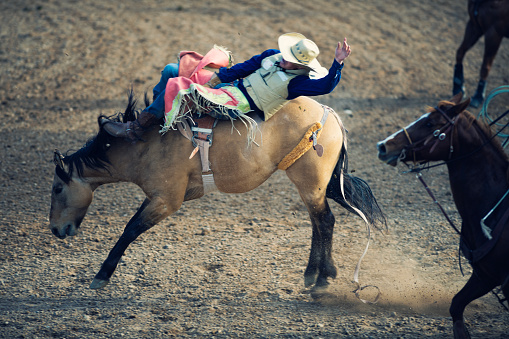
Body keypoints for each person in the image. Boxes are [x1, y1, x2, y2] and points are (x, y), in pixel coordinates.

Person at [103, 33, 351, 140]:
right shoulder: (272, 55)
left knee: (181, 87)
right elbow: (244, 67)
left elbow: (327, 85)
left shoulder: (298, 84)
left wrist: (337, 63)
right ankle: (158, 116)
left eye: (292, 59)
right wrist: (218, 77)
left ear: (301, 65)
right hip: (229, 86)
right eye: (287, 54)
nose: (285, 59)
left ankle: (136, 128)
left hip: (239, 104)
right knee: (171, 69)